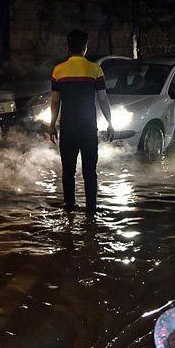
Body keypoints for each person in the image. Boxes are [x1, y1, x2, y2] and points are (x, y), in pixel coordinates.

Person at [46, 29, 114, 215]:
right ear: (85, 47)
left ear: (69, 48)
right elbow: (102, 100)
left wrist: (52, 126)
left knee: (68, 172)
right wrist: (110, 122)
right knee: (90, 172)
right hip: (88, 129)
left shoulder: (58, 70)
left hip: (67, 128)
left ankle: (69, 212)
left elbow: (55, 102)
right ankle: (91, 213)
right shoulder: (95, 69)